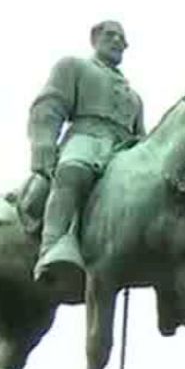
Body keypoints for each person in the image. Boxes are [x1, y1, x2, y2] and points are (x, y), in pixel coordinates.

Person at [25, 19, 145, 297]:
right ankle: (52, 246)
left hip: (122, 149)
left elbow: (142, 136)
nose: (117, 42)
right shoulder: (74, 67)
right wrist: (43, 140)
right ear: (95, 38)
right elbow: (50, 103)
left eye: (122, 39)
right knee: (73, 170)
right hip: (85, 136)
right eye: (111, 35)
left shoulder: (134, 97)